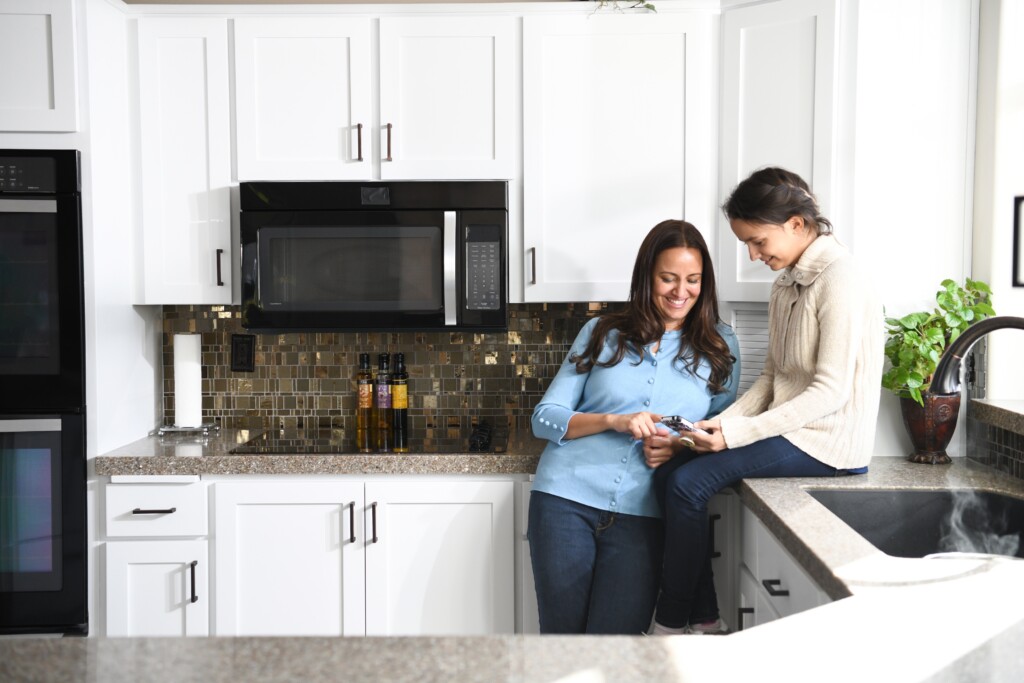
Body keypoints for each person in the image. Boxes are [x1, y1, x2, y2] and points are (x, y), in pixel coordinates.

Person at [648, 167, 884, 635]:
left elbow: (830, 391)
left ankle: (674, 622)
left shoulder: (842, 279)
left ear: (796, 224)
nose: (753, 254)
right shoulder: (786, 284)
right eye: (747, 244)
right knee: (670, 472)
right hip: (792, 430)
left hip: (828, 443)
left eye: (757, 241)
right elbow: (772, 377)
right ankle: (705, 619)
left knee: (687, 484)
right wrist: (717, 427)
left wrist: (735, 434)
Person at [528, 219, 741, 634]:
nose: (681, 292)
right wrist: (614, 420)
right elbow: (545, 418)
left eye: (693, 280)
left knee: (618, 653)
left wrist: (680, 446)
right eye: (668, 278)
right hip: (563, 503)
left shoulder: (720, 345)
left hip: (645, 516)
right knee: (561, 645)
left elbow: (718, 432)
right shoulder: (603, 332)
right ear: (647, 277)